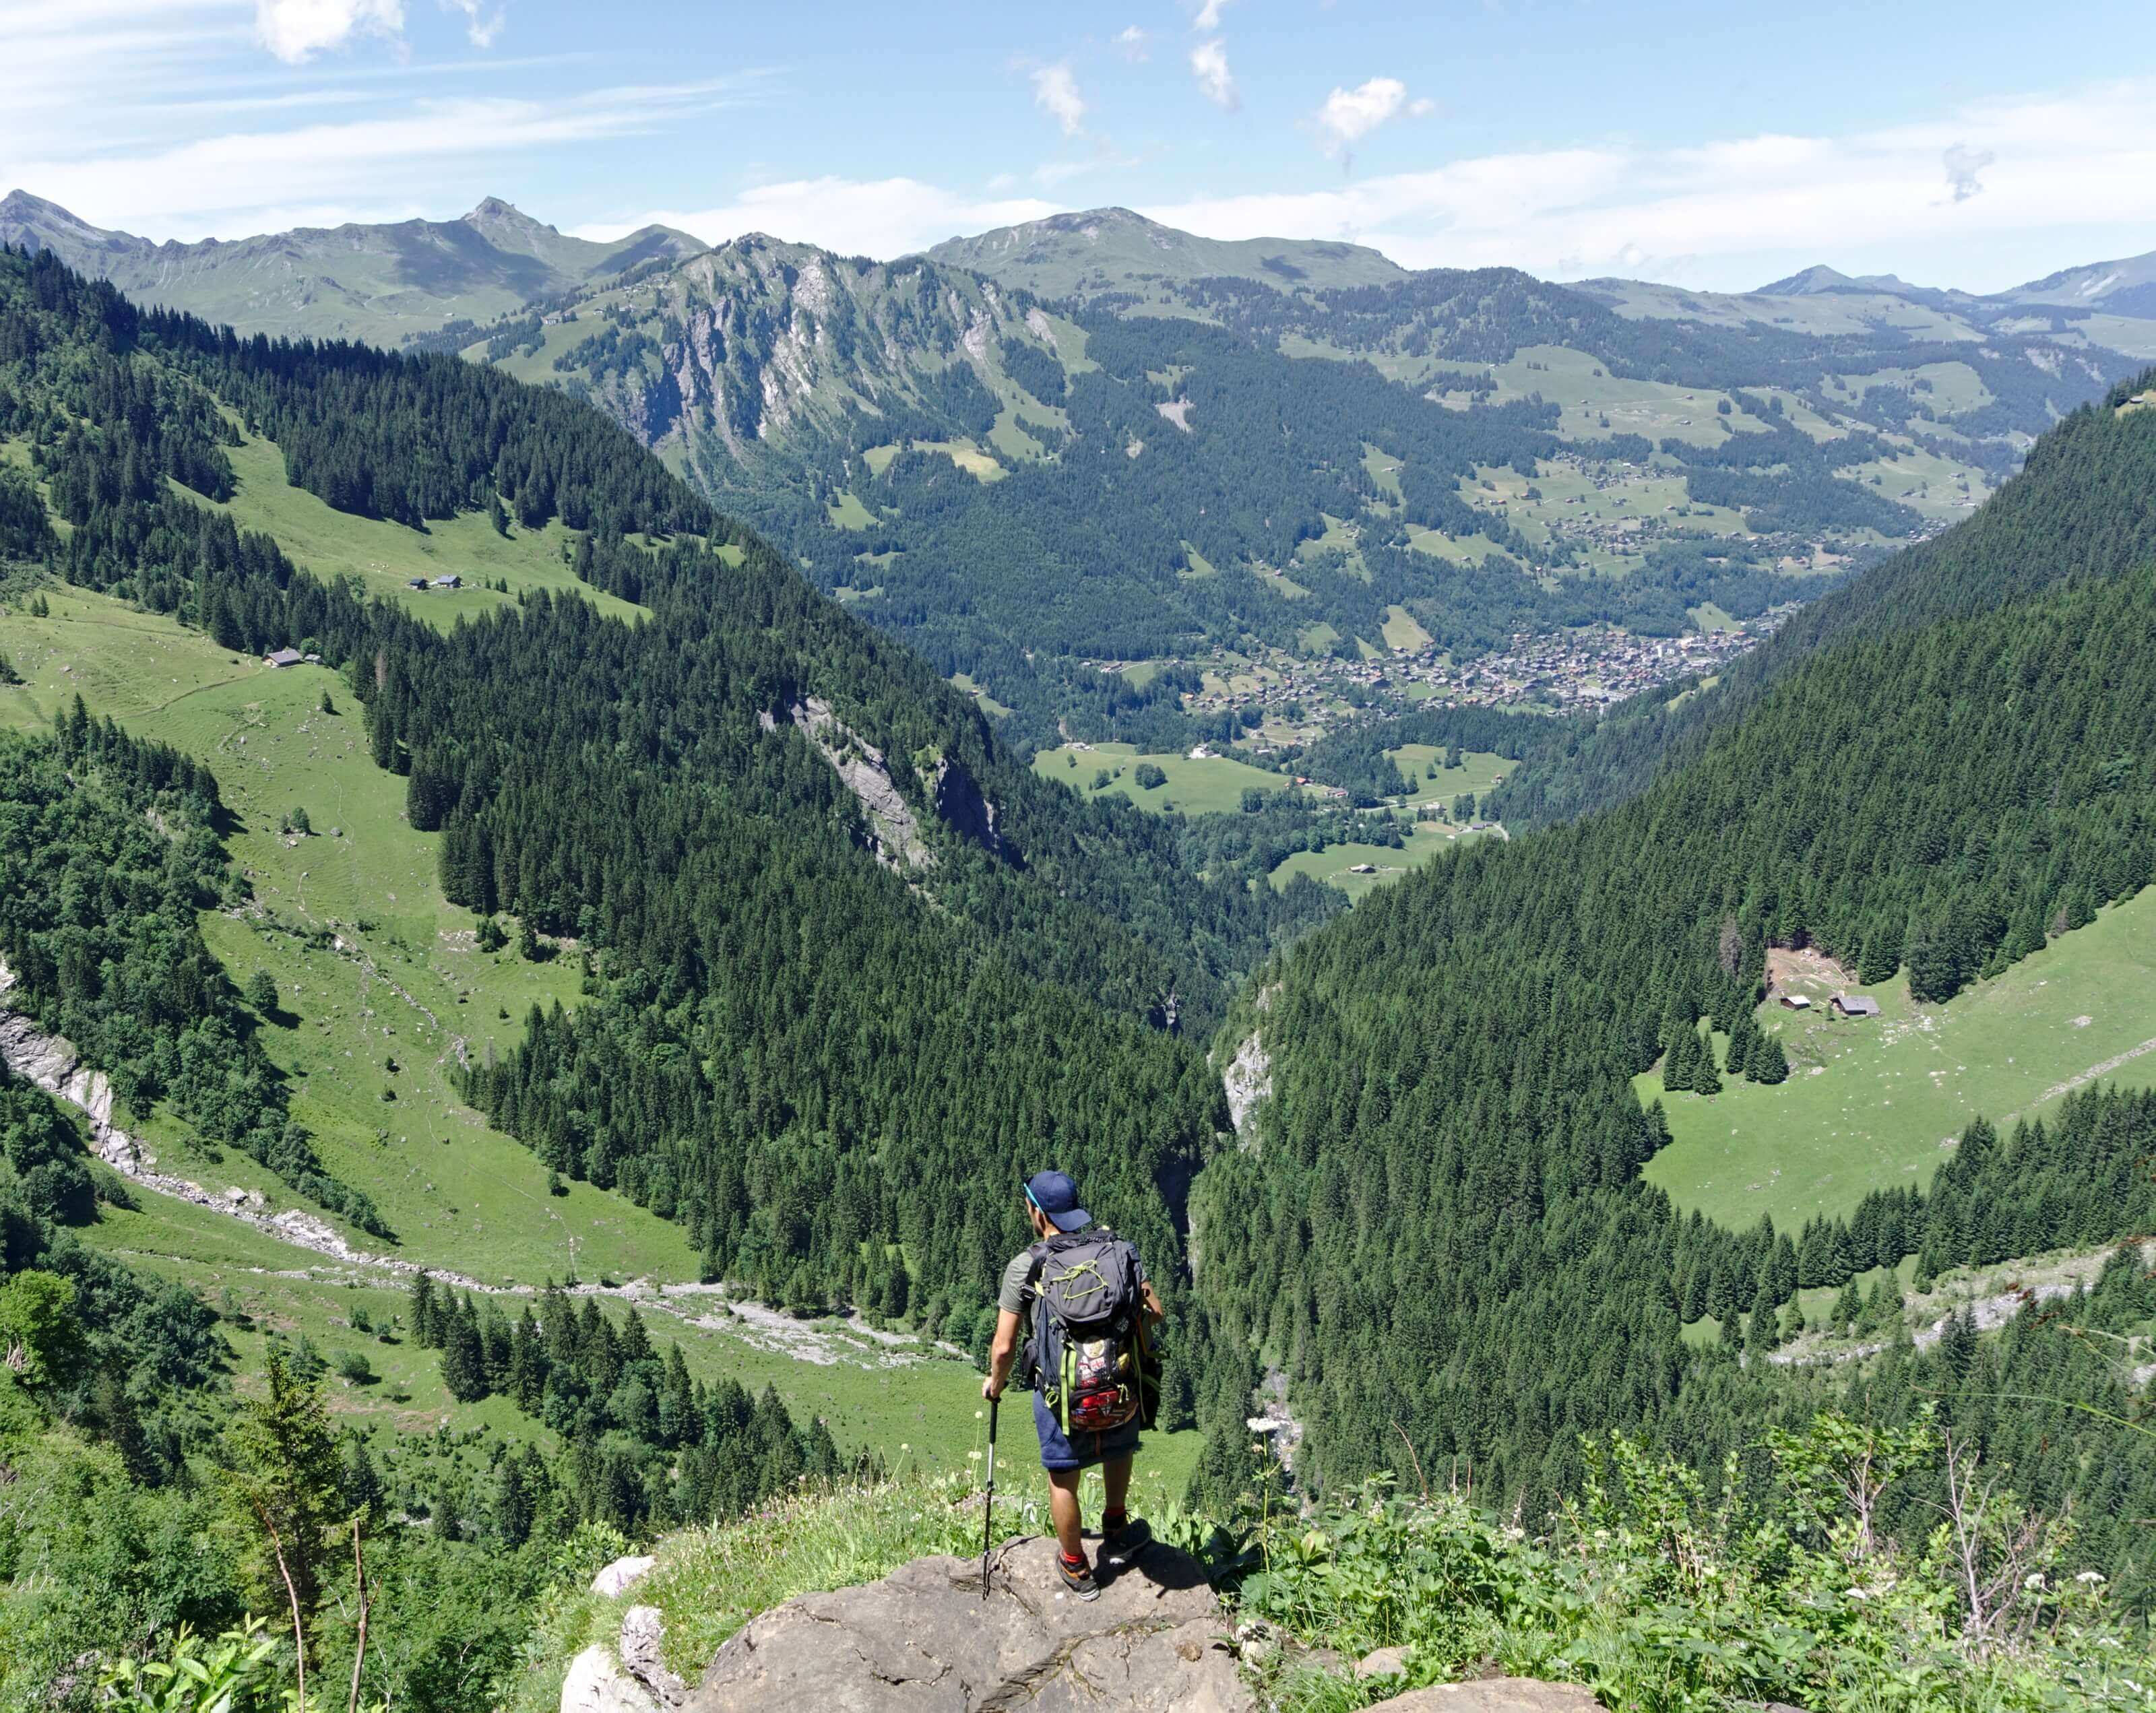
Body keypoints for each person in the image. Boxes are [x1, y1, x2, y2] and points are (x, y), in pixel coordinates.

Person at [983, 1168, 1165, 1600]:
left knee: (1063, 1475)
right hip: (1118, 1383)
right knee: (1119, 1448)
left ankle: (1076, 1565)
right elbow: (1155, 1312)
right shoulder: (1118, 1251)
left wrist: (996, 1382)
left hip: (1061, 1393)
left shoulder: (1027, 1266)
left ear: (1037, 1212)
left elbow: (1005, 1345)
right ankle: (1117, 1527)